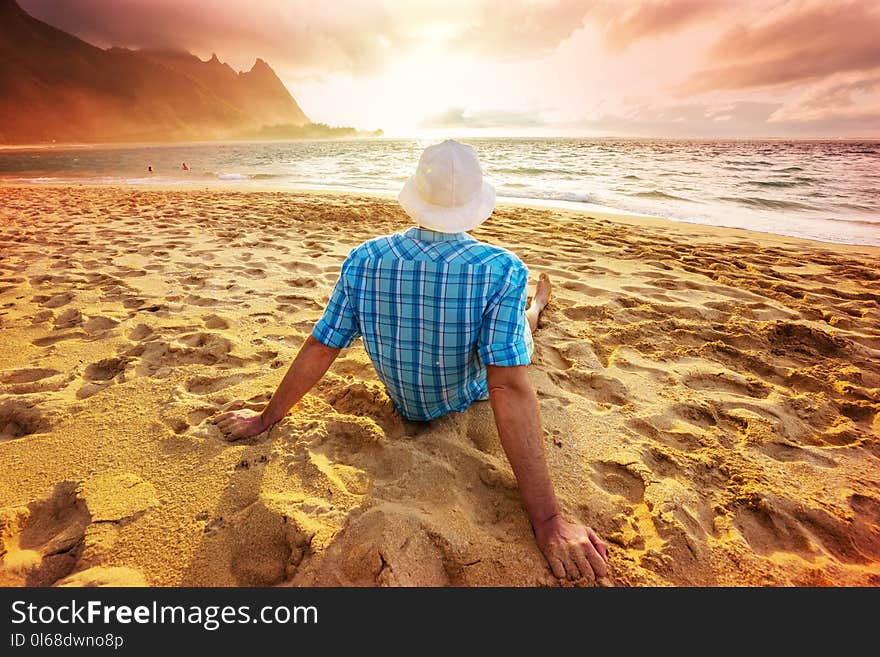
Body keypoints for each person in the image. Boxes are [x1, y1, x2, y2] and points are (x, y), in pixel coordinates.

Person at [214, 140, 608, 582]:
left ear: (416, 195)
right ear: (476, 205)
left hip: (407, 401)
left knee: (520, 326)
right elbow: (506, 386)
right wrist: (548, 520)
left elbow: (321, 345)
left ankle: (534, 309)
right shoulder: (501, 269)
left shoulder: (364, 259)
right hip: (467, 391)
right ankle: (534, 309)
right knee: (519, 337)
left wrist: (266, 418)